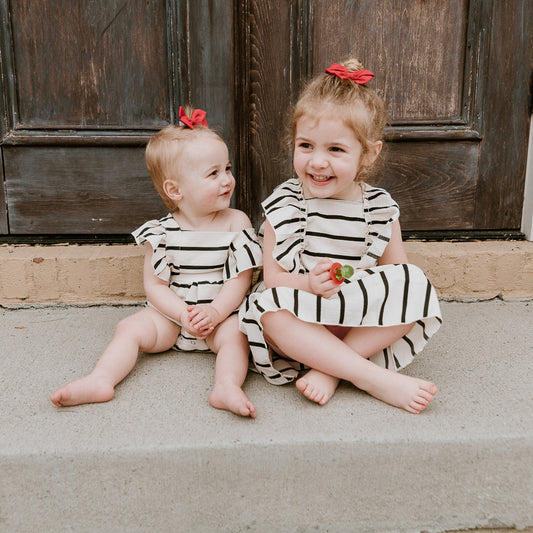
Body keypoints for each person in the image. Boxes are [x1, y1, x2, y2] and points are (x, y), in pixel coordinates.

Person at [239, 59, 442, 414]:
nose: (317, 162)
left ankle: (330, 369)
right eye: (306, 146)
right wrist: (309, 285)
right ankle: (370, 377)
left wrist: (361, 280)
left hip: (355, 322)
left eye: (335, 150)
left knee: (416, 285)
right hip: (302, 322)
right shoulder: (285, 205)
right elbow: (273, 280)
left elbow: (397, 274)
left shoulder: (380, 208)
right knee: (267, 312)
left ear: (368, 154)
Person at [51, 107, 262, 418]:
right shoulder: (161, 232)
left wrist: (215, 312)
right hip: (172, 320)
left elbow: (239, 280)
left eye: (227, 169)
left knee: (238, 335)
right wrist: (181, 313)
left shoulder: (235, 222)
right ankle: (101, 379)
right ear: (175, 190)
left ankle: (226, 386)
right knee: (129, 327)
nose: (226, 180)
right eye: (213, 173)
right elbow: (155, 286)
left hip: (220, 316)